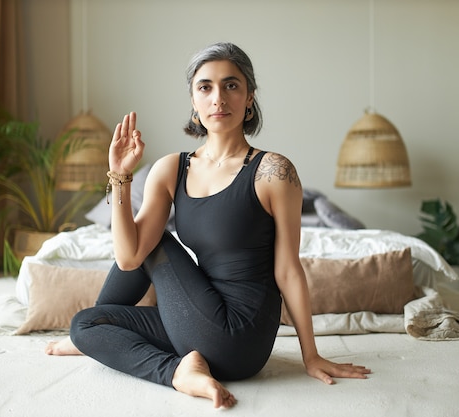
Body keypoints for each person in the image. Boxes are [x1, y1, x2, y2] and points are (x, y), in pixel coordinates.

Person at [45, 42, 370, 408]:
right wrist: (121, 176)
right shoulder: (171, 169)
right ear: (194, 101)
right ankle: (110, 342)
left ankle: (172, 372)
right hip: (199, 321)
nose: (219, 98)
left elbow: (289, 269)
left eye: (231, 85)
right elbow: (127, 258)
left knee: (155, 242)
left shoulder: (273, 172)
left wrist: (310, 355)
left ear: (249, 98)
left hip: (242, 334)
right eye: (206, 87)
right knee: (86, 323)